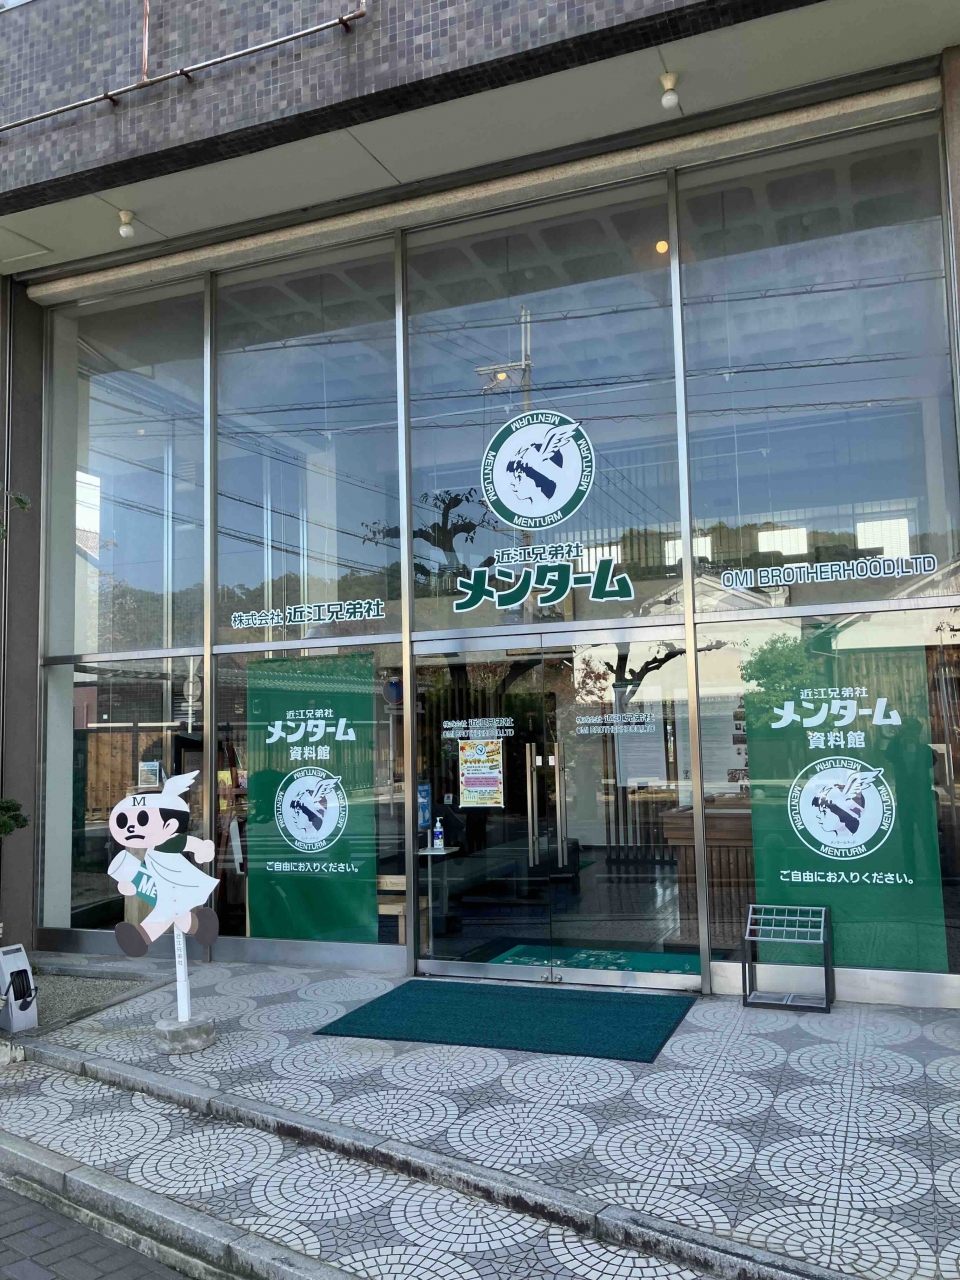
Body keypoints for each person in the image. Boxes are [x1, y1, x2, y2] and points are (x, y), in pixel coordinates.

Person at [106, 770, 219, 957]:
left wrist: (202, 849)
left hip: (178, 883)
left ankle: (141, 938)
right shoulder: (151, 850)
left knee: (166, 914)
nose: (131, 827)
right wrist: (130, 884)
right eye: (123, 821)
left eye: (143, 819)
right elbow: (146, 873)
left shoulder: (169, 843)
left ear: (170, 825)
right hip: (165, 888)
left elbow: (190, 843)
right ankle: (202, 927)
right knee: (177, 916)